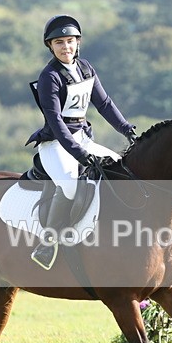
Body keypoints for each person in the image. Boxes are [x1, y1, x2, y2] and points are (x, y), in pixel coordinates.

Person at [26, 15, 137, 270]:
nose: (66, 47)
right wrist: (78, 153)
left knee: (122, 168)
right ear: (50, 46)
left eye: (70, 41)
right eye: (59, 43)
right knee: (68, 185)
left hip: (82, 138)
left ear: (78, 43)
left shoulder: (86, 67)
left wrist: (126, 129)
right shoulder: (50, 77)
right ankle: (47, 243)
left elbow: (104, 103)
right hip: (56, 142)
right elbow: (55, 121)